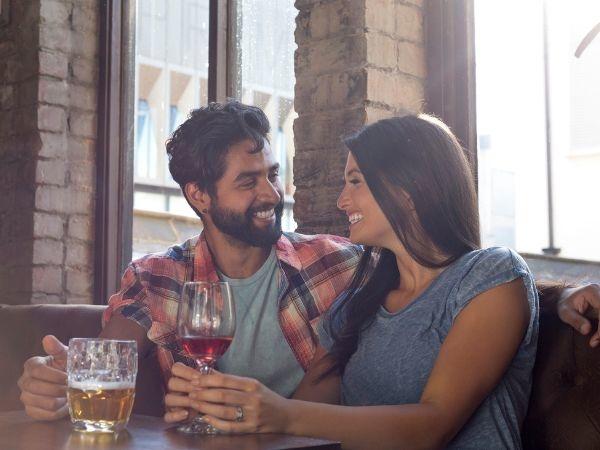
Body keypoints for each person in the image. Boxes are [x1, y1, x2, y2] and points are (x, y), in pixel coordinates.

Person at [17, 101, 600, 424]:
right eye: (248, 182)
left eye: (272, 174)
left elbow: (455, 275)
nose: (271, 194)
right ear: (198, 195)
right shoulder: (155, 279)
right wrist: (59, 384)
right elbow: (101, 364)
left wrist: (564, 294)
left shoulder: (338, 267)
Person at [163, 114, 599, 449]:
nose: (341, 199)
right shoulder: (358, 299)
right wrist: (219, 408)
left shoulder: (489, 274)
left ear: (407, 188)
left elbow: (432, 426)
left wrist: (278, 414)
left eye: (355, 181)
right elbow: (307, 411)